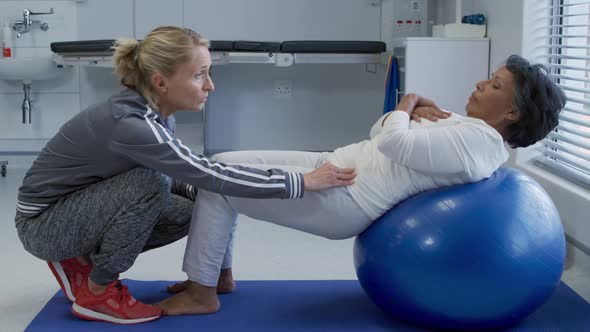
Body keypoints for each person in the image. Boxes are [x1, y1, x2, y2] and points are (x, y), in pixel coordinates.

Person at [157, 54, 567, 315]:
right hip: (334, 164)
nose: (480, 84)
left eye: (494, 86)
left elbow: (391, 137)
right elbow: (382, 133)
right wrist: (403, 115)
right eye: (489, 78)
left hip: (346, 196)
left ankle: (202, 291)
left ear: (512, 111)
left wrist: (406, 104)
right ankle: (218, 274)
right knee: (222, 165)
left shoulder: (479, 143)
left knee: (218, 183)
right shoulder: (467, 127)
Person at [14, 26, 355, 325]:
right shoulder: (133, 125)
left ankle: (93, 263)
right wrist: (301, 182)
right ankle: (97, 292)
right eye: (199, 75)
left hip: (77, 207)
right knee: (154, 184)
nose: (210, 85)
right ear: (161, 82)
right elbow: (207, 173)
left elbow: (197, 180)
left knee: (199, 203)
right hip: (45, 226)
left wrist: (218, 268)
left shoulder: (155, 114)